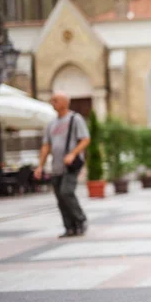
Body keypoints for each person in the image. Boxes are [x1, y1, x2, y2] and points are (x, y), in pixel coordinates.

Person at [33, 92, 90, 238]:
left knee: (66, 192)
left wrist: (73, 154)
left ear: (65, 102)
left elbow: (85, 139)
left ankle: (80, 220)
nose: (53, 103)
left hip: (71, 166)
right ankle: (69, 227)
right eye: (52, 100)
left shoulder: (75, 119)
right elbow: (46, 146)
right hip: (56, 166)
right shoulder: (51, 124)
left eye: (56, 100)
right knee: (60, 197)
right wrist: (40, 166)